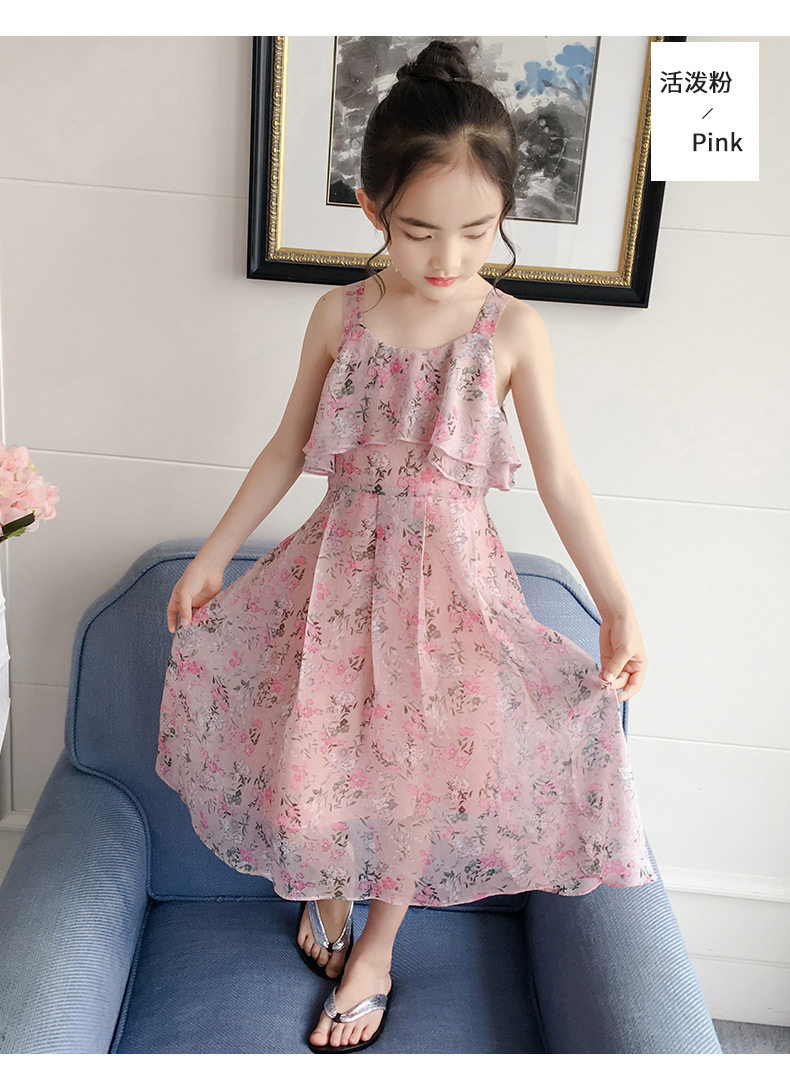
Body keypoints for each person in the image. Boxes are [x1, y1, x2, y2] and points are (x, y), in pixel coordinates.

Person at [155, 39, 658, 1054]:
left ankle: (378, 950)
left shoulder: (511, 331)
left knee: (420, 775)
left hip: (452, 592)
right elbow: (287, 446)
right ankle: (329, 883)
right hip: (335, 575)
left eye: (477, 231)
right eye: (421, 229)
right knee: (317, 749)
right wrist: (215, 552)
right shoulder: (338, 314)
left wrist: (617, 601)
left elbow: (560, 479)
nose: (448, 258)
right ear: (372, 208)